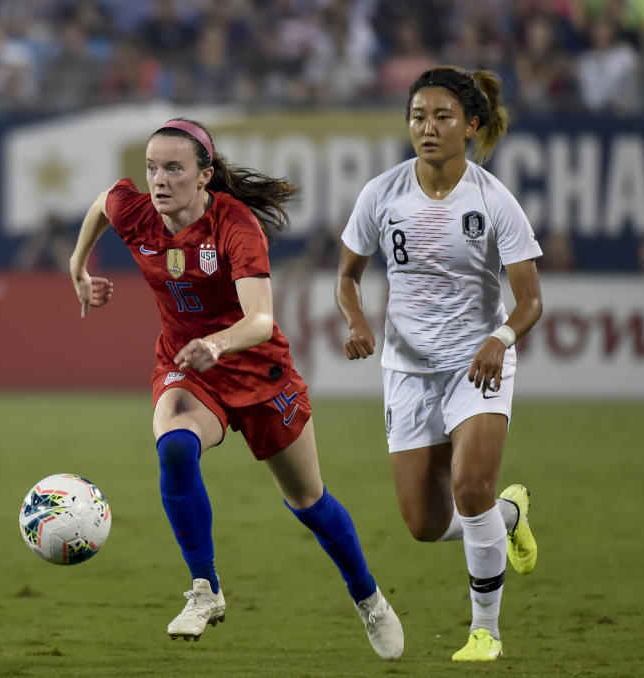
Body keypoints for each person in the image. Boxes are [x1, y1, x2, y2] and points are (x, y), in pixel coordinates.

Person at [69, 118, 404, 659]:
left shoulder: (234, 224)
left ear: (204, 177)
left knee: (309, 501)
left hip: (256, 371)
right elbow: (103, 202)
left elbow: (261, 322)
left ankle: (367, 597)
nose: (158, 179)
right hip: (187, 366)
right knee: (176, 446)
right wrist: (77, 264)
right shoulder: (136, 213)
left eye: (174, 168)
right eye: (151, 167)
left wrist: (218, 345)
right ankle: (205, 589)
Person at [334, 65, 544, 662]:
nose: (427, 128)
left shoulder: (493, 201)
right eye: (418, 116)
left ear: (471, 126)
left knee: (470, 485)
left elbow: (530, 300)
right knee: (424, 524)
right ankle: (508, 516)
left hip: (476, 365)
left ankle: (486, 632)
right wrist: (355, 320)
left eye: (442, 117)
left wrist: (499, 338)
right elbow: (346, 276)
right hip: (406, 372)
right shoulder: (381, 193)